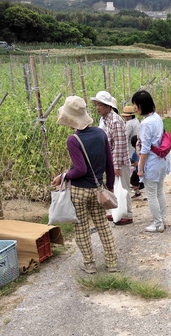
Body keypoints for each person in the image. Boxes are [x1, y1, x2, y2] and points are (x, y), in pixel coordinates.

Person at [51, 96, 118, 273]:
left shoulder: (73, 140)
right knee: (103, 226)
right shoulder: (100, 133)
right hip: (98, 189)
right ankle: (112, 263)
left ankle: (89, 264)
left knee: (81, 228)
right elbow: (109, 165)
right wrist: (109, 186)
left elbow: (79, 170)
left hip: (80, 191)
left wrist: (63, 175)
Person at [91, 91, 133, 225]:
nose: (98, 107)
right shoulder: (104, 119)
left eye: (101, 105)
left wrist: (117, 166)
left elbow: (120, 144)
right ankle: (116, 212)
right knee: (115, 188)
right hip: (111, 160)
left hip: (119, 161)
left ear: (109, 106)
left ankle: (127, 214)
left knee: (123, 188)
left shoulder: (115, 120)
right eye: (96, 104)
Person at [132, 90, 170, 233]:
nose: (135, 107)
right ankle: (163, 220)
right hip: (161, 161)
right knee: (160, 192)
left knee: (152, 195)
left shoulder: (146, 123)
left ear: (142, 105)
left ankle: (157, 223)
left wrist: (140, 168)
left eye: (136, 104)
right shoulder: (157, 118)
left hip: (152, 163)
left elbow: (145, 149)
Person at [130, 135, 144, 199]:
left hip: (137, 171)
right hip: (143, 169)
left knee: (132, 181)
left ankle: (138, 192)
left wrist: (130, 165)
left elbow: (136, 163)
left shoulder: (135, 153)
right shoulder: (142, 150)